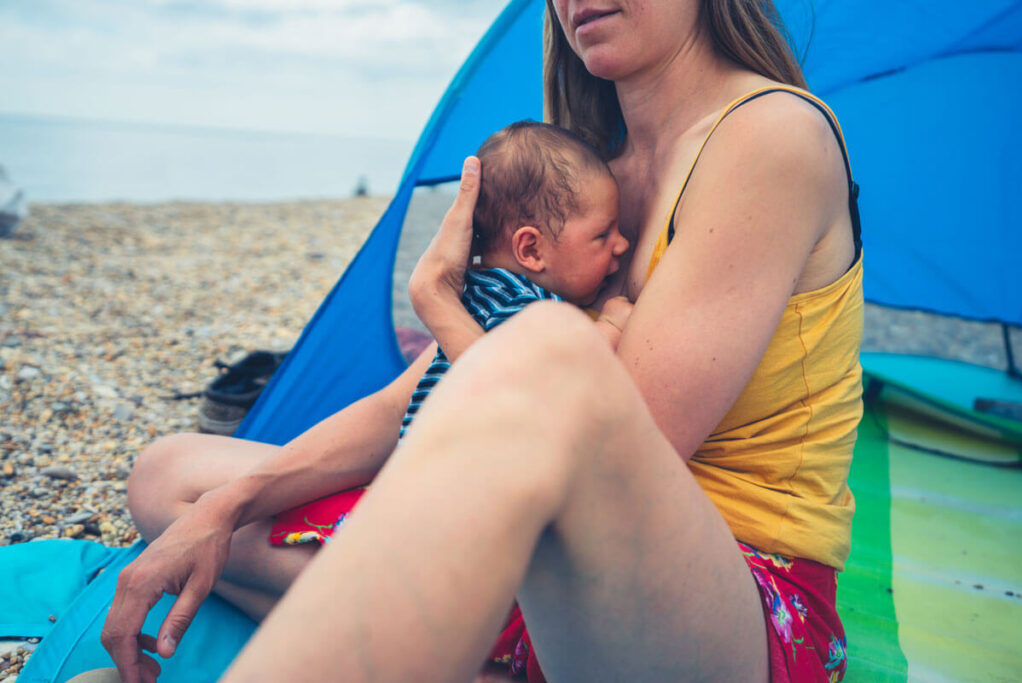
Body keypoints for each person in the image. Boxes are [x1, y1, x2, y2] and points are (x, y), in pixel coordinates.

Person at [103, 1, 863, 682]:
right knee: (171, 475)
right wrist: (228, 508)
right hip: (539, 555)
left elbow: (585, 435)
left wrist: (439, 301)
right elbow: (409, 403)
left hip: (729, 601)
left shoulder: (770, 136)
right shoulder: (590, 172)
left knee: (553, 348)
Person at [267, 120, 630, 550]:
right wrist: (611, 326)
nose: (622, 245)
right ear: (531, 250)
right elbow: (550, 384)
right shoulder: (526, 310)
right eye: (602, 234)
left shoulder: (478, 297)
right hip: (449, 510)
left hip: (419, 489)